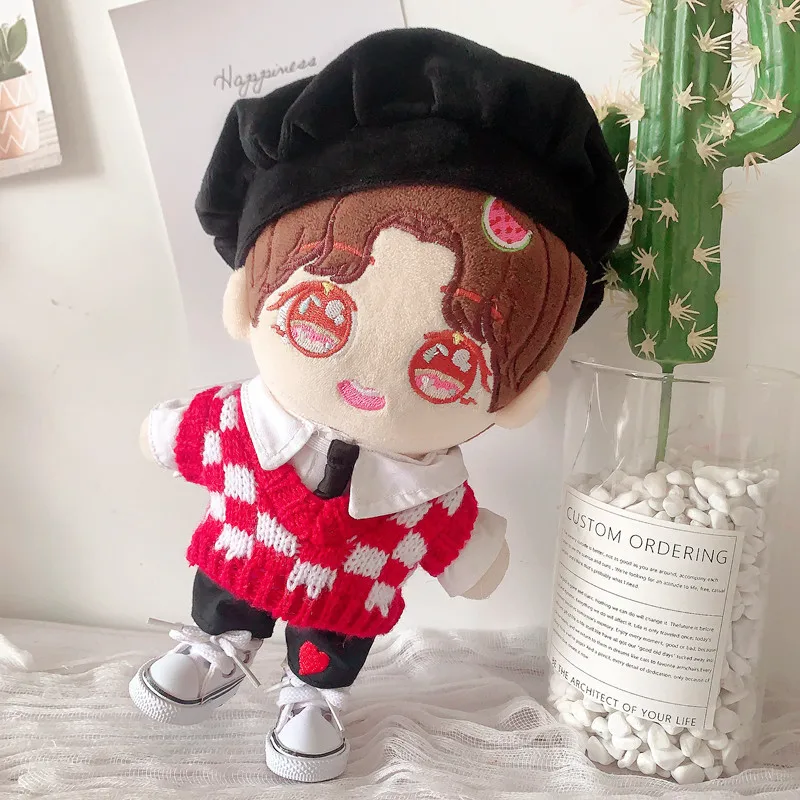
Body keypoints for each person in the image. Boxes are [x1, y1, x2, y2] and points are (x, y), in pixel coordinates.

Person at [128, 28, 628, 783]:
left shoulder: (428, 492)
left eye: (449, 363)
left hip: (344, 600)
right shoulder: (235, 425)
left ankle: (312, 696)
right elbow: (177, 435)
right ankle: (219, 644)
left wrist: (475, 557)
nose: (372, 379)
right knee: (228, 588)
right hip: (241, 555)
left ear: (519, 392)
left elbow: (463, 548)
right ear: (245, 302)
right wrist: (165, 432)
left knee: (329, 638)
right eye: (320, 315)